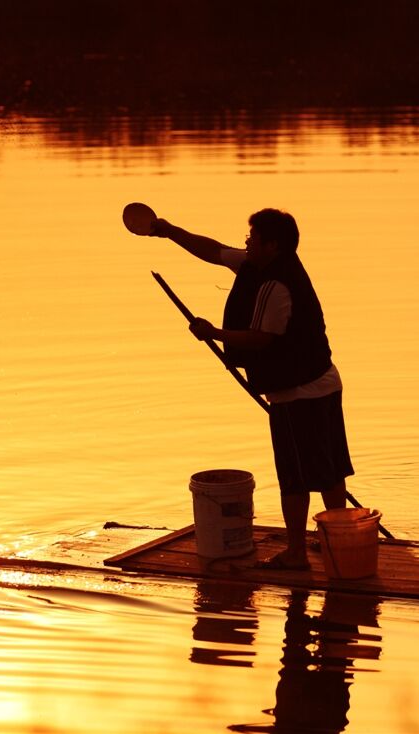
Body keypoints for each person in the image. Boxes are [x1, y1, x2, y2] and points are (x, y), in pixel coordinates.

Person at [149, 208, 352, 569]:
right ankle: (337, 540)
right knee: (328, 471)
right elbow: (212, 251)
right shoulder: (257, 265)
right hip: (324, 382)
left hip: (300, 393)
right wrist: (168, 231)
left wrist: (214, 333)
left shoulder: (277, 284)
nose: (246, 242)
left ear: (271, 245)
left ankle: (296, 553)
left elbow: (261, 340)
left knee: (295, 477)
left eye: (252, 237)